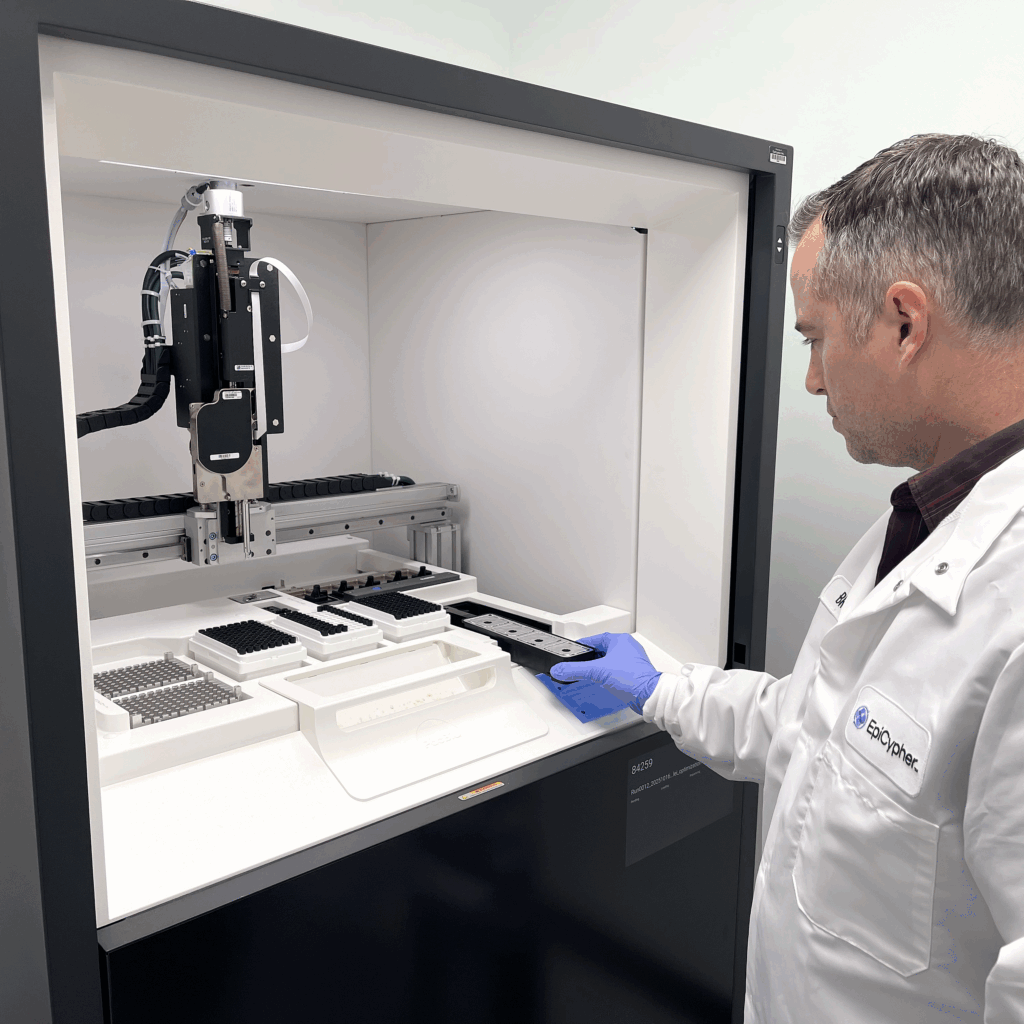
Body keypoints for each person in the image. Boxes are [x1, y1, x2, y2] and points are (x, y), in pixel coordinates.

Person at [551, 134, 1024, 1023]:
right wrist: (660, 688)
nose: (809, 381)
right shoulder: (931, 519)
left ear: (905, 322)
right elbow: (818, 732)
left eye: (815, 339)